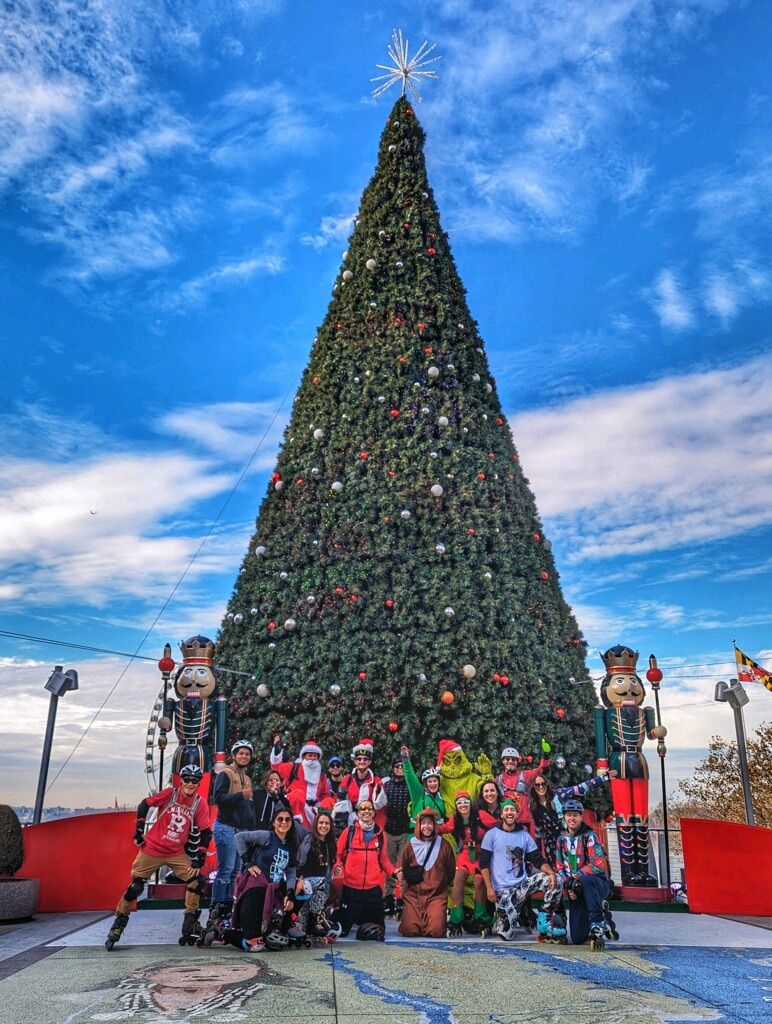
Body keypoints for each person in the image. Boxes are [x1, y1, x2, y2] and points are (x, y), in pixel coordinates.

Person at [105, 764, 211, 950]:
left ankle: (190, 919)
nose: (190, 784)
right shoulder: (170, 794)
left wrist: (199, 858)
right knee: (135, 886)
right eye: (187, 780)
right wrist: (139, 830)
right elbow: (144, 804)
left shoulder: (199, 803)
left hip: (176, 852)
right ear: (181, 780)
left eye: (194, 781)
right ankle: (120, 921)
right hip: (152, 849)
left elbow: (205, 832)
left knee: (196, 880)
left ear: (198, 783)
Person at [480, 797, 563, 942]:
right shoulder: (491, 835)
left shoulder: (524, 836)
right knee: (506, 934)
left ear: (517, 814)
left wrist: (550, 872)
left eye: (512, 809)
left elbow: (536, 858)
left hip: (522, 886)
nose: (509, 812)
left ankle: (544, 919)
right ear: (501, 814)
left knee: (556, 880)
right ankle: (507, 918)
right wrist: (489, 888)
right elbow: (484, 864)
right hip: (503, 891)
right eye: (506, 810)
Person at [232, 806, 303, 952]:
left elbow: (290, 872)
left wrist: (290, 894)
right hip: (255, 887)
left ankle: (288, 925)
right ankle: (221, 933)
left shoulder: (291, 846)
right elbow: (239, 837)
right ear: (274, 822)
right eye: (280, 819)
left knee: (270, 940)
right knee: (254, 944)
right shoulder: (266, 836)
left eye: (287, 819)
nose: (284, 822)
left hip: (272, 892)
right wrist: (248, 862)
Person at [555, 798, 617, 947]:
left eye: (575, 815)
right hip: (576, 888)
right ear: (564, 817)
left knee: (587, 881)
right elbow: (560, 867)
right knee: (577, 938)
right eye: (569, 815)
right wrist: (569, 886)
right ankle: (601, 912)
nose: (572, 818)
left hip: (596, 884)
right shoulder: (561, 840)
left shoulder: (590, 836)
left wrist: (577, 877)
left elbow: (598, 865)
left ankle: (597, 924)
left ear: (581, 817)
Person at [333, 799, 394, 940]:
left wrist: (394, 872)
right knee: (342, 931)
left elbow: (384, 859)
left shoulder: (380, 834)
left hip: (372, 890)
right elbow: (338, 855)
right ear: (358, 813)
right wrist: (337, 866)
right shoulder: (349, 832)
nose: (366, 811)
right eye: (363, 809)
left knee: (378, 931)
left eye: (369, 809)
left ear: (373, 812)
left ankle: (362, 917)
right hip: (351, 889)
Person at [530, 770, 616, 868]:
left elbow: (579, 788)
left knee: (574, 867)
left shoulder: (558, 795)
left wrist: (603, 778)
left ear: (547, 784)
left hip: (567, 838)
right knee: (557, 871)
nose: (541, 787)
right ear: (534, 787)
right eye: (537, 785)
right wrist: (538, 852)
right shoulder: (534, 806)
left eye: (543, 784)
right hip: (551, 844)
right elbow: (539, 829)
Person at [440, 791, 497, 936]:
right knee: (458, 880)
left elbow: (497, 824)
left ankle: (480, 916)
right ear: (456, 806)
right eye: (459, 803)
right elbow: (443, 828)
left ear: (470, 803)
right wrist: (426, 830)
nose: (463, 805)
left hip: (481, 853)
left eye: (465, 802)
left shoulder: (480, 815)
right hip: (466, 853)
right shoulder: (455, 819)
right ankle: (456, 917)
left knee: (479, 882)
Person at [210, 740, 256, 913]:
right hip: (226, 827)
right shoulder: (225, 774)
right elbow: (218, 798)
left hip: (241, 831)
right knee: (226, 869)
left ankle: (227, 906)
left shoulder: (248, 778)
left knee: (235, 870)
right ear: (234, 755)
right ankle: (216, 905)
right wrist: (239, 795)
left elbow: (248, 806)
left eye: (247, 754)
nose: (244, 756)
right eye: (241, 753)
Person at [398, 809, 456, 938]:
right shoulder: (410, 844)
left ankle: (430, 921)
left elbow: (450, 871)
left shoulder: (444, 845)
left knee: (436, 931)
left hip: (436, 895)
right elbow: (403, 868)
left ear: (435, 825)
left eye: (430, 823)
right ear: (419, 825)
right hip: (413, 894)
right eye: (423, 823)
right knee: (409, 930)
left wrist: (440, 886)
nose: (426, 827)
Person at [291, 808, 339, 940]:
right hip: (303, 881)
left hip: (318, 885)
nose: (323, 826)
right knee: (324, 883)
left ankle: (313, 920)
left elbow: (327, 867)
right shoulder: (308, 838)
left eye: (327, 823)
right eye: (321, 823)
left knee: (305, 929)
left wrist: (334, 871)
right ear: (316, 824)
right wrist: (299, 879)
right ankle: (313, 920)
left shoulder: (330, 844)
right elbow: (299, 862)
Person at [269, 736, 331, 827]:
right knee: (298, 794)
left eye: (315, 756)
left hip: (314, 809)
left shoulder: (321, 775)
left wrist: (324, 805)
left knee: (329, 801)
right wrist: (277, 751)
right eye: (310, 755)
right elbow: (276, 767)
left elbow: (325, 795)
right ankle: (295, 824)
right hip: (296, 806)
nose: (312, 759)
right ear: (304, 756)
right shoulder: (294, 767)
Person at [495, 741, 551, 828]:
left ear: (517, 761)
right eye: (507, 759)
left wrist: (546, 756)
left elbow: (542, 770)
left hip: (524, 822)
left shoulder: (525, 775)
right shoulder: (498, 780)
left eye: (513, 759)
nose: (510, 761)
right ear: (503, 761)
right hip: (506, 823)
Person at [382, 753, 411, 915]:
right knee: (390, 865)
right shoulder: (388, 784)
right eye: (397, 767)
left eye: (402, 766)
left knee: (404, 865)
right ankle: (388, 897)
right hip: (390, 829)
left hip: (405, 830)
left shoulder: (410, 783)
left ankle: (403, 897)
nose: (399, 769)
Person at [337, 739, 387, 827]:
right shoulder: (347, 779)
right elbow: (340, 804)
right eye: (359, 759)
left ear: (370, 761)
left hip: (369, 821)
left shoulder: (376, 781)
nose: (362, 761)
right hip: (350, 821)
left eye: (365, 759)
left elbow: (380, 805)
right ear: (355, 761)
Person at [400, 745, 445, 827]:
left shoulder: (441, 795)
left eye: (435, 781)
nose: (433, 784)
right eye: (430, 781)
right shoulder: (419, 793)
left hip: (437, 835)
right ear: (425, 784)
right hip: (416, 836)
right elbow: (410, 776)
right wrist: (406, 760)